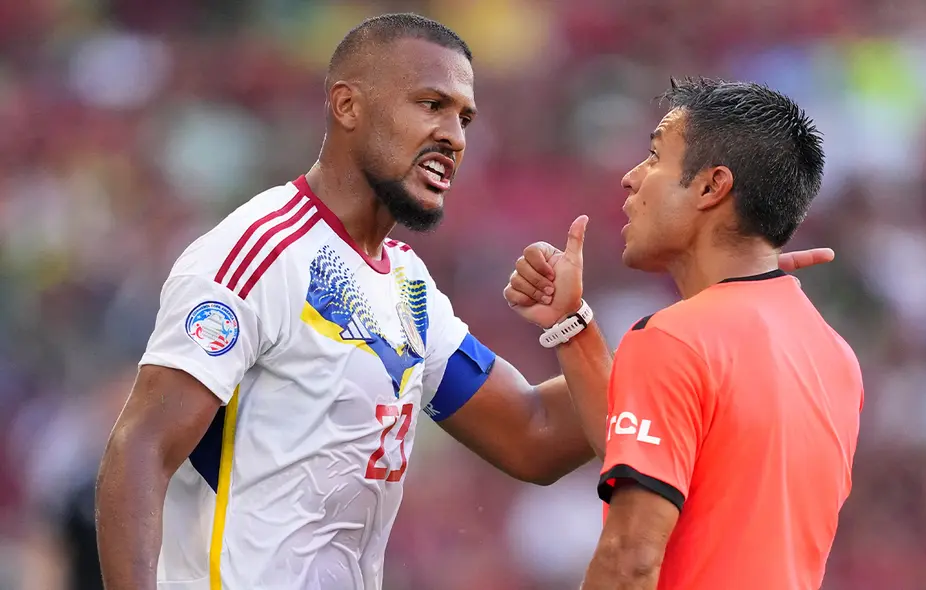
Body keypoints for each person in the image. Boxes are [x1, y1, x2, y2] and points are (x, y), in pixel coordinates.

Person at [94, 12, 835, 589]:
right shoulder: (257, 252)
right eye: (431, 105)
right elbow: (139, 450)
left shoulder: (407, 288)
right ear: (347, 105)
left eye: (465, 119)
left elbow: (535, 434)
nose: (452, 136)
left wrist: (720, 310)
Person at [505, 78, 863, 590]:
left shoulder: (675, 338)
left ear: (711, 186)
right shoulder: (835, 355)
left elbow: (630, 561)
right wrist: (572, 330)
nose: (630, 179)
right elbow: (655, 455)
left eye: (653, 158)